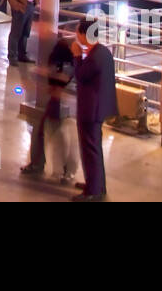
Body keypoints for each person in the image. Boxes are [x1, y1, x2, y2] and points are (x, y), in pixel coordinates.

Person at [19, 35, 79, 184]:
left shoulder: (65, 55)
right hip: (55, 102)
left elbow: (65, 77)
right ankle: (53, 168)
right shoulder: (61, 53)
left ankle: (63, 171)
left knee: (62, 138)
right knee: (47, 134)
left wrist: (50, 78)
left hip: (64, 104)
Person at [70, 17, 117, 201]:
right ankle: (96, 184)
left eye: (77, 31)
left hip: (91, 110)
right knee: (94, 148)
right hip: (98, 108)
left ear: (83, 34)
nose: (76, 35)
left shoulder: (94, 57)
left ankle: (93, 191)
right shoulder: (103, 52)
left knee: (90, 150)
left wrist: (76, 56)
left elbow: (81, 75)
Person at [3, 0, 37, 65]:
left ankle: (22, 55)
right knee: (16, 32)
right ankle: (12, 56)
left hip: (30, 6)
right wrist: (16, 6)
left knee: (25, 32)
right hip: (21, 7)